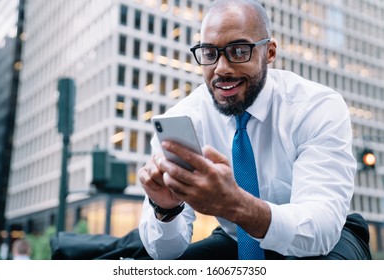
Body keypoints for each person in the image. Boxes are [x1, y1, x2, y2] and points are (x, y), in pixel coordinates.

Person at [138, 0, 371, 260]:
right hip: (236, 236)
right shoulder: (182, 120)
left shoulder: (317, 107)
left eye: (238, 51)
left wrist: (235, 204)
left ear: (269, 52)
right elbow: (164, 254)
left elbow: (320, 230)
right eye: (209, 53)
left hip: (329, 238)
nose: (222, 69)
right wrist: (165, 208)